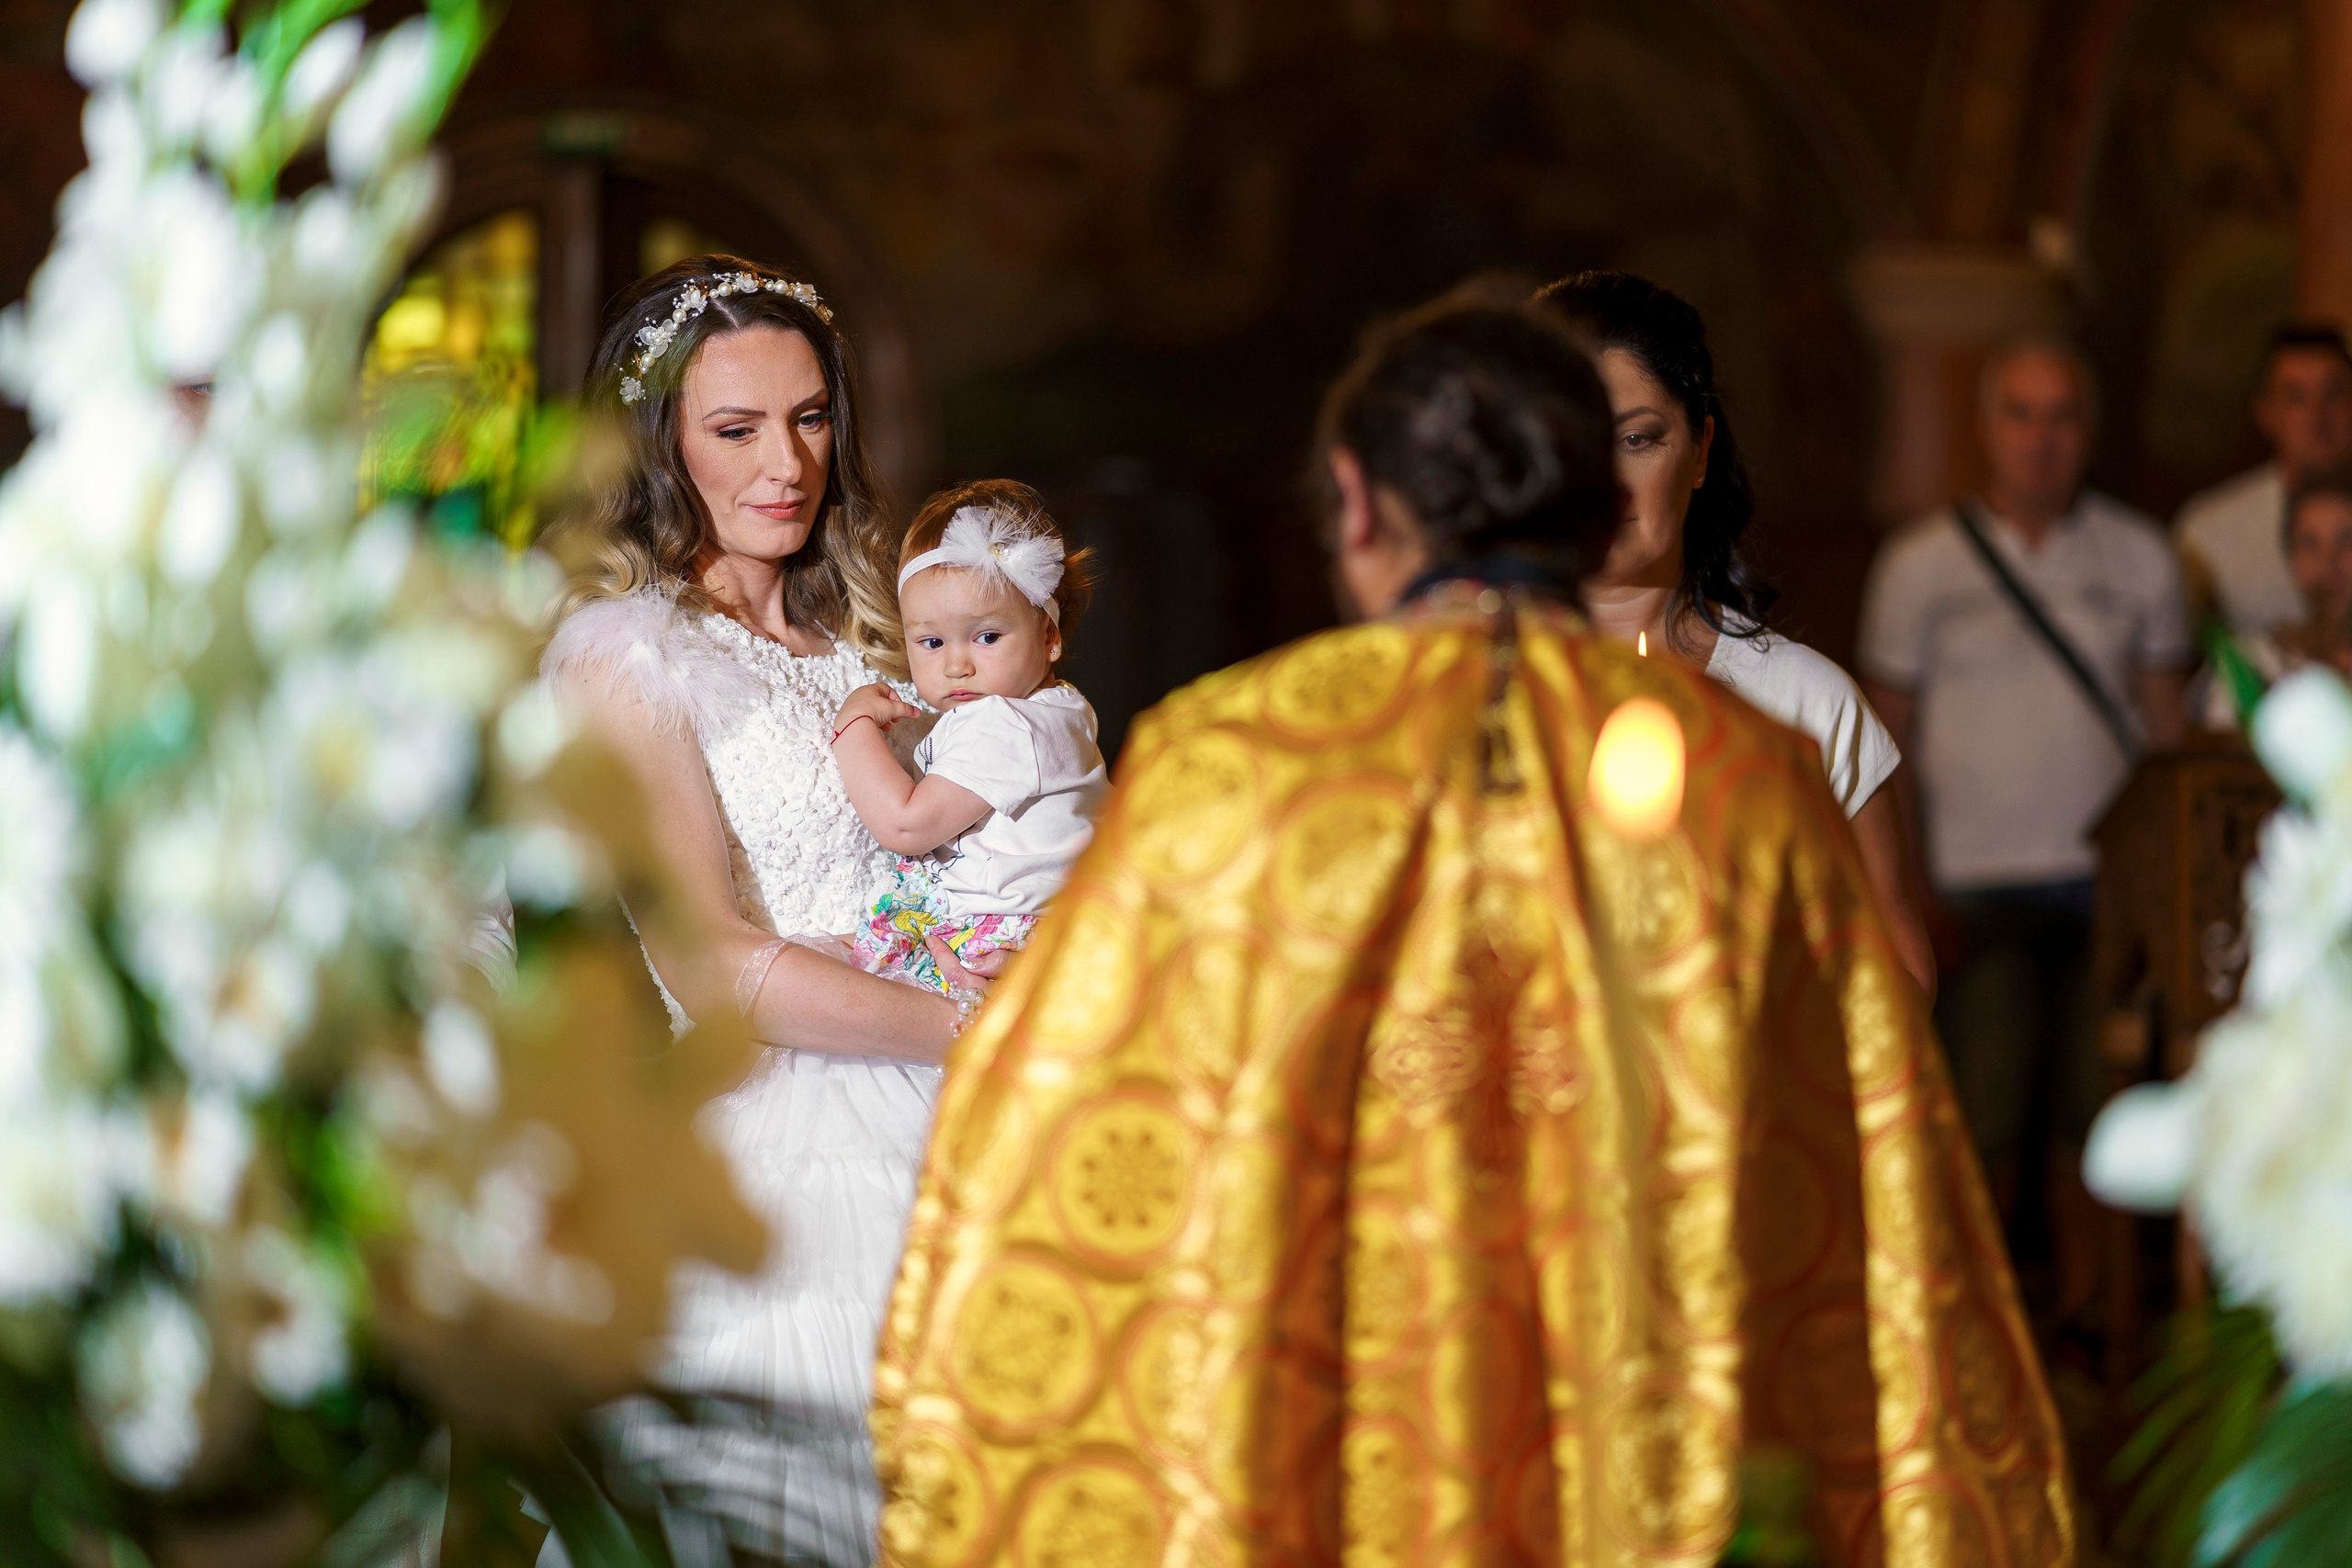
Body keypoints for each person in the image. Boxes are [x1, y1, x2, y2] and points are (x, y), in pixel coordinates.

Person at [874, 296, 2074, 1566]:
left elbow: (1069, 1140)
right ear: (1586, 497)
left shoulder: (1230, 763)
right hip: (1646, 1381)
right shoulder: (1742, 775)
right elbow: (1863, 1127)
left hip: (1334, 1385)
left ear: (1354, 502)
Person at [539, 256, 960, 1564]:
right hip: (786, 1139)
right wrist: (978, 1025)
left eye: (812, 416)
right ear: (663, 445)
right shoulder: (626, 651)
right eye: (737, 428)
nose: (789, 460)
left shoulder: (885, 627)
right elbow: (710, 960)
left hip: (942, 1086)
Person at [1858, 337, 2188, 1322]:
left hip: (2104, 888)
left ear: (2087, 432)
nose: (2040, 440)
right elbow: (1886, 746)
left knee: (2096, 1130)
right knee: (1984, 1126)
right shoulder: (1919, 567)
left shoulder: (2141, 556)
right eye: (2020, 414)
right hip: (1971, 886)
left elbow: (2167, 737)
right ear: (1985, 428)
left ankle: (2097, 1334)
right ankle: (1983, 1342)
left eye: (2061, 417)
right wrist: (1906, 889)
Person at [1537, 271, 1930, 996]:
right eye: (1573, 441)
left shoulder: (1803, 701)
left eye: (1637, 439)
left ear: (1700, 449)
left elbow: (1897, 965)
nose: (1607, 482)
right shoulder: (1485, 689)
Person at [831, 480, 1108, 991]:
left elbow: (907, 826)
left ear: (1049, 636)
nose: (957, 665)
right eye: (932, 641)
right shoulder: (1059, 709)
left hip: (986, 938)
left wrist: (852, 728)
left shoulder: (1005, 723)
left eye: (986, 637)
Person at [2176, 321, 2352, 642]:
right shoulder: (2208, 533)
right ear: (2265, 413)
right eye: (2296, 397)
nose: (2318, 414)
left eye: (2334, 393)